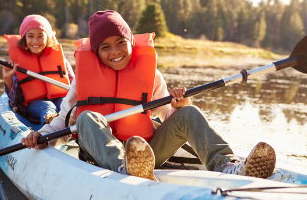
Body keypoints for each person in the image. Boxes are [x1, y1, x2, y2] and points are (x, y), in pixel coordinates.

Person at [21, 10, 276, 181]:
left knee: (189, 113)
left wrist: (180, 104)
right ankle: (124, 166)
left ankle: (229, 166)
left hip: (146, 152)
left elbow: (167, 115)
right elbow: (63, 118)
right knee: (85, 116)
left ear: (131, 41)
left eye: (121, 42)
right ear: (96, 53)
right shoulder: (83, 82)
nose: (115, 51)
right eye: (105, 47)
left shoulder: (151, 75)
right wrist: (42, 137)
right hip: (102, 156)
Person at [3, 14, 74, 125]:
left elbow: (73, 86)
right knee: (47, 106)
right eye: (30, 36)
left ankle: (73, 130)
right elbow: (14, 101)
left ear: (48, 37)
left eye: (40, 36)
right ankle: (50, 128)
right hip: (34, 105)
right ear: (24, 38)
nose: (35, 41)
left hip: (59, 98)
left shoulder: (61, 60)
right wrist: (8, 79)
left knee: (65, 104)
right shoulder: (18, 63)